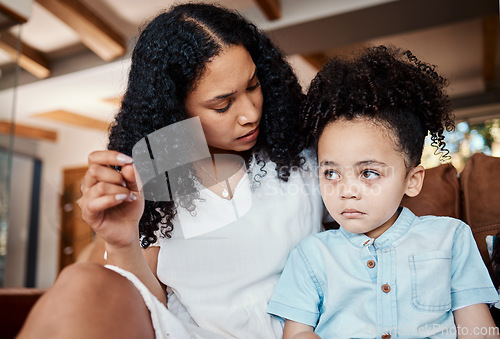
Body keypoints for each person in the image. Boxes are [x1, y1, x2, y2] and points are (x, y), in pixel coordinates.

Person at [18, 3, 324, 339]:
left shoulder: (295, 142)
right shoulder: (163, 164)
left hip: (302, 328)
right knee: (81, 280)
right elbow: (150, 303)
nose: (250, 113)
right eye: (222, 104)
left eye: (252, 86)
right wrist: (122, 244)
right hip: (197, 333)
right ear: (176, 110)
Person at [267, 46, 500, 339]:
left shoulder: (451, 238)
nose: (346, 191)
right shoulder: (311, 255)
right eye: (331, 173)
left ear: (412, 180)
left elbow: (478, 329)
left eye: (368, 173)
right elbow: (297, 333)